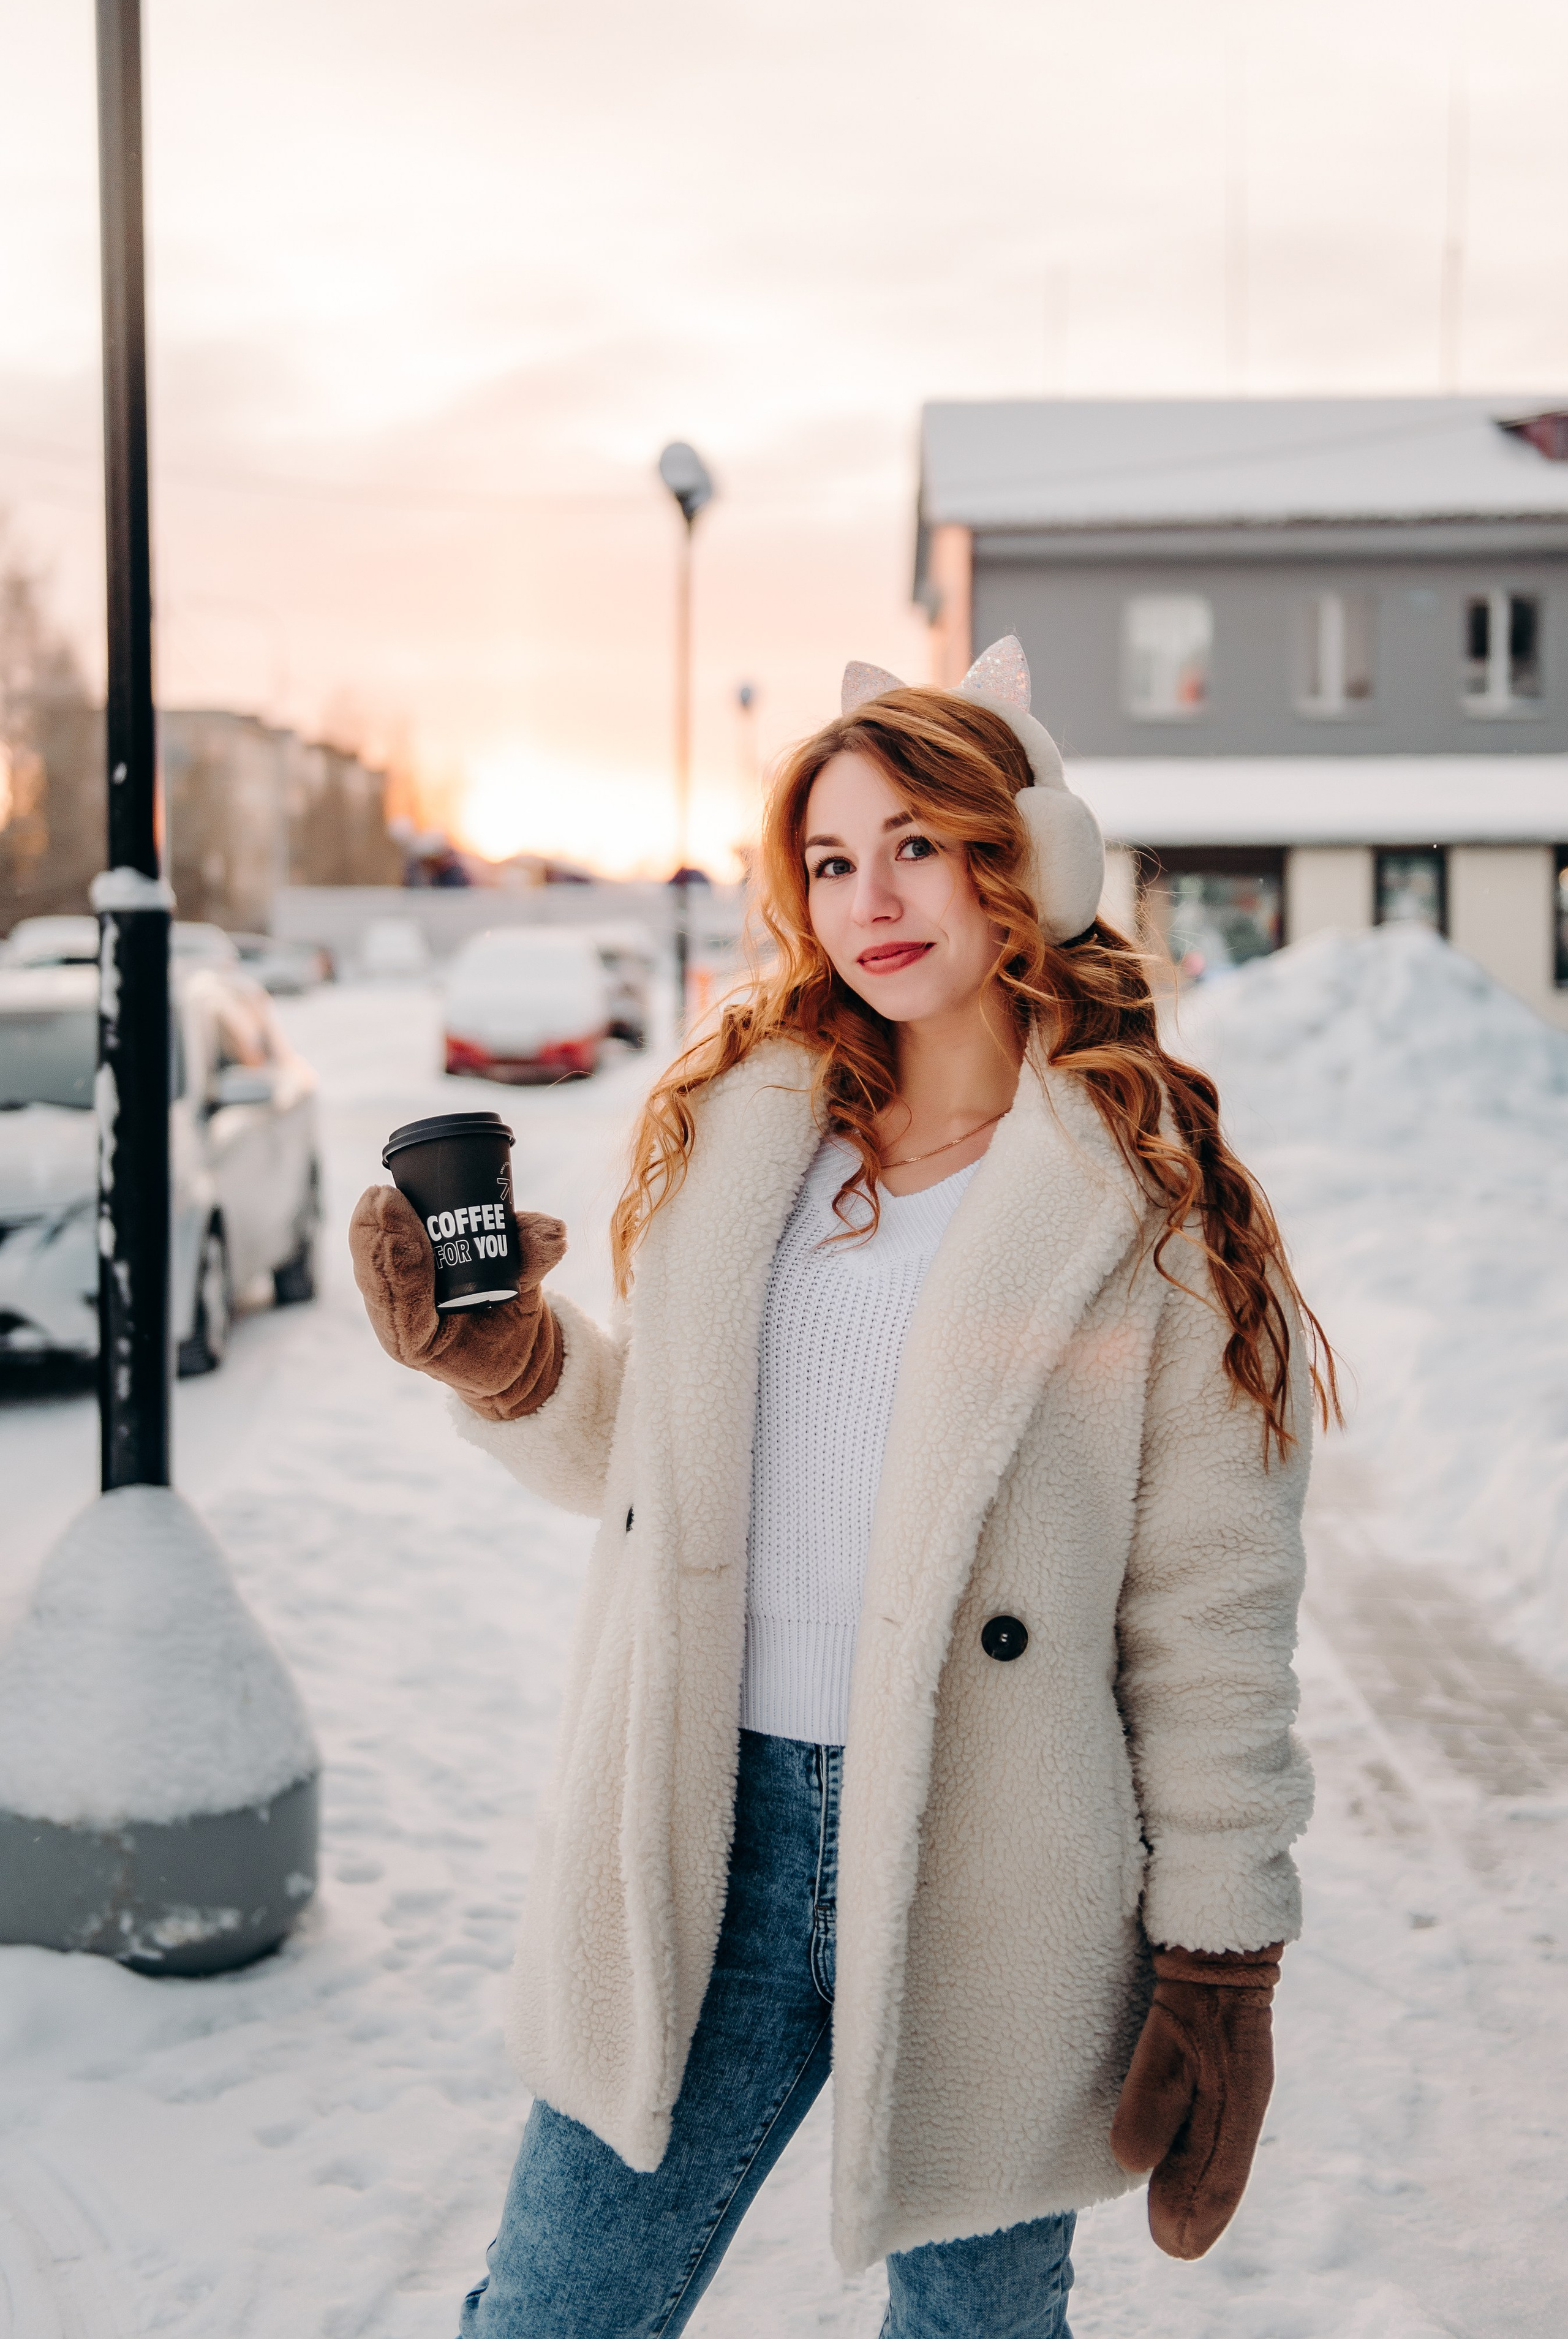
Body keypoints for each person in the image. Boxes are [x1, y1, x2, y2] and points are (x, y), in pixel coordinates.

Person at [350, 638, 1336, 2339]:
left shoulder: (1150, 1205)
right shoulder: (760, 1136)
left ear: (1016, 856)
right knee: (549, 2315)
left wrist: (1220, 1955)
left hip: (996, 1865)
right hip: (702, 1834)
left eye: (915, 843)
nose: (870, 896)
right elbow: (658, 1475)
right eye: (830, 857)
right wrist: (510, 1358)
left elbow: (1210, 1606)